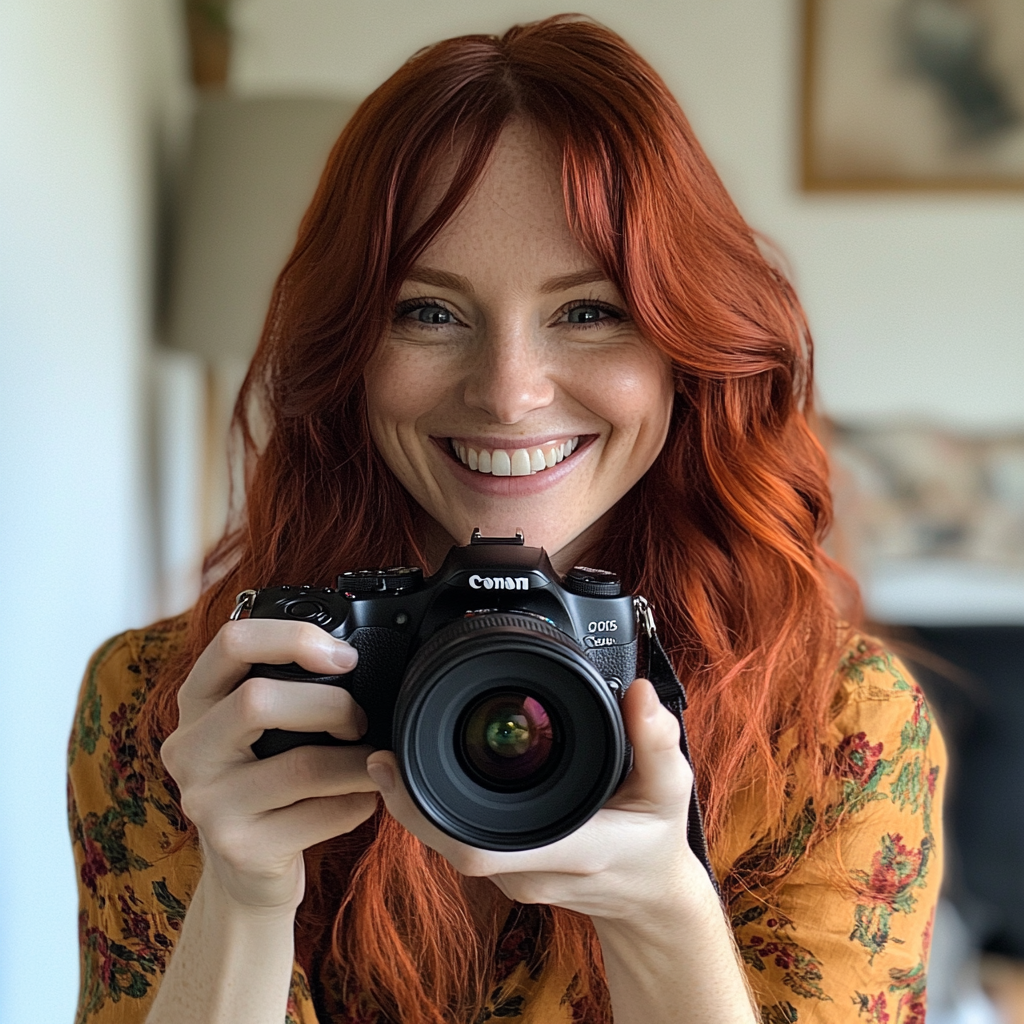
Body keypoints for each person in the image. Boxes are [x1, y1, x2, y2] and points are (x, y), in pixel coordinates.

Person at [67, 16, 945, 1024]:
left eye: (590, 310)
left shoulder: (831, 731)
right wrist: (244, 899)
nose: (508, 393)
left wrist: (663, 915)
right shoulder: (175, 711)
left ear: (684, 348)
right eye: (427, 311)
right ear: (349, 348)